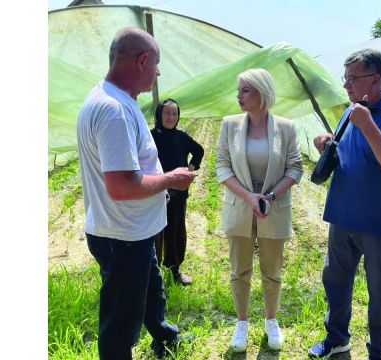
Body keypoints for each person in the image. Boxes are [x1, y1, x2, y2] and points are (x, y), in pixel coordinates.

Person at [76, 27, 197, 359]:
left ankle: (163, 335)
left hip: (131, 231)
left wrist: (158, 189)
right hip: (124, 236)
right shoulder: (114, 111)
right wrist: (171, 178)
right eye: (156, 64)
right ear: (143, 60)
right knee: (121, 324)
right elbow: (122, 186)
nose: (158, 72)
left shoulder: (112, 99)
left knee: (151, 289)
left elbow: (130, 173)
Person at [308, 49, 381, 360]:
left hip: (379, 223)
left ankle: (377, 352)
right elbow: (348, 154)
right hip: (342, 216)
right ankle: (337, 339)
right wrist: (327, 145)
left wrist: (368, 124)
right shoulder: (351, 111)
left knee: (380, 293)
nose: (346, 86)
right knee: (335, 281)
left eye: (353, 79)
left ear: (376, 79)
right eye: (346, 79)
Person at [215, 68, 303, 352]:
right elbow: (222, 166)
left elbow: (295, 168)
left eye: (245, 90)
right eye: (239, 90)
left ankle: (271, 319)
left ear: (261, 93)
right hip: (239, 207)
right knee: (239, 270)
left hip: (272, 209)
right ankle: (241, 323)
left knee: (272, 271)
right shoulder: (230, 125)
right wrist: (249, 196)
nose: (238, 96)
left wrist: (268, 196)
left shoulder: (286, 128)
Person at [151, 98, 204, 286]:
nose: (171, 117)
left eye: (174, 114)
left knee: (176, 230)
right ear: (159, 115)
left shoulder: (181, 137)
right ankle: (153, 272)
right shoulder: (150, 138)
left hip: (178, 192)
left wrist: (191, 168)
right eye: (167, 113)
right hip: (155, 192)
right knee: (155, 232)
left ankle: (175, 270)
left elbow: (199, 150)